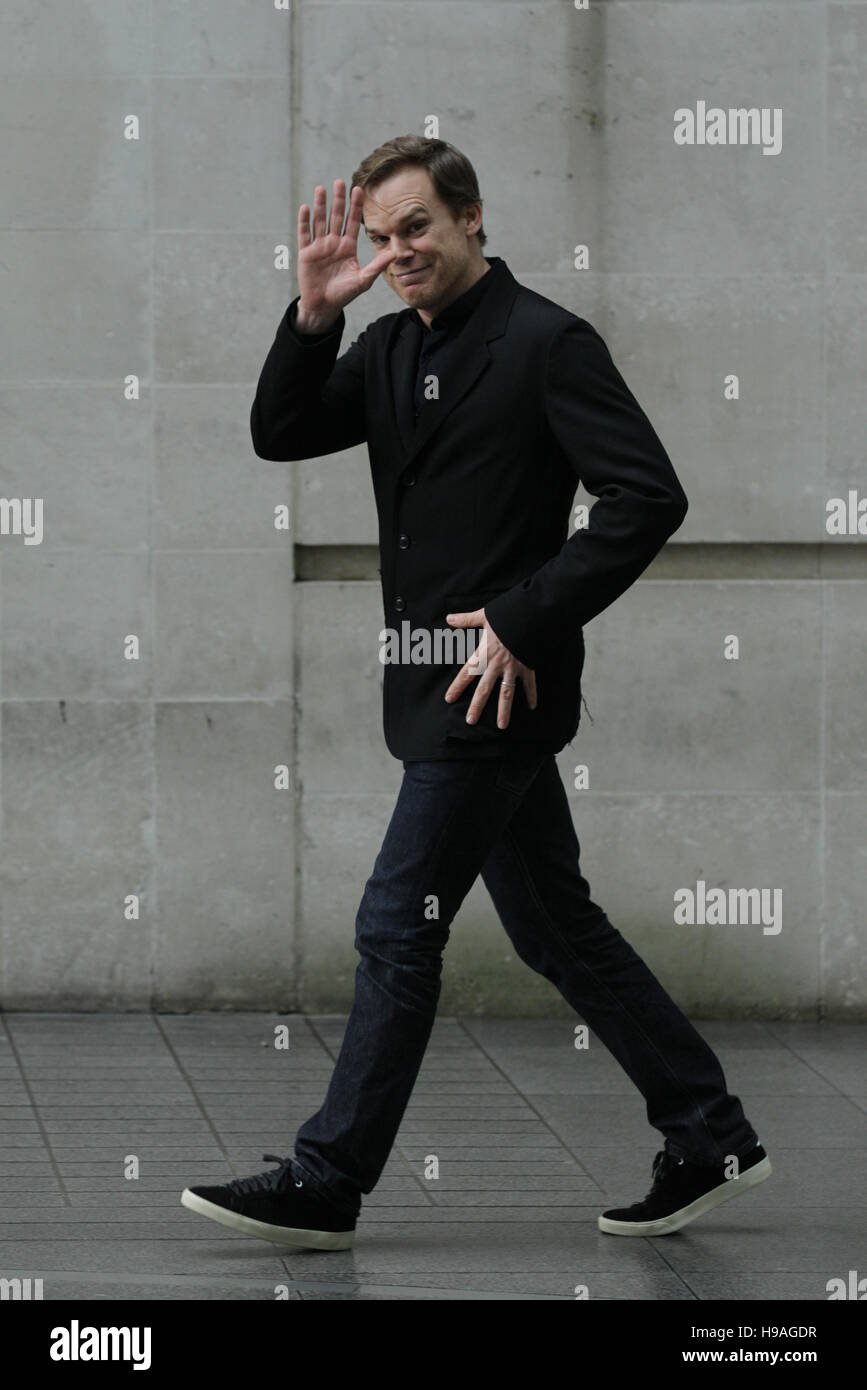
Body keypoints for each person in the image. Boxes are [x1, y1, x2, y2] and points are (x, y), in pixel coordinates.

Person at [181, 135, 770, 1251]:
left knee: (397, 927)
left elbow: (647, 496)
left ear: (473, 220)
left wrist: (525, 614)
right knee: (559, 929)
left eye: (419, 228)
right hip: (430, 685)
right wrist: (314, 315)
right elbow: (281, 432)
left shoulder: (549, 343)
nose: (399, 251)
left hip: (499, 689)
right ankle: (711, 1133)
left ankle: (329, 1175)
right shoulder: (394, 346)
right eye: (383, 235)